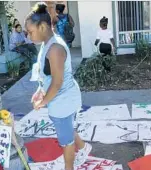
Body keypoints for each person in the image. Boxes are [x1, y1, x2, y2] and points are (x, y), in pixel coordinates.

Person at [25, 2, 92, 170]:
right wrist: (40, 91)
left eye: (30, 31)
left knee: (66, 141)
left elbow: (57, 82)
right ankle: (84, 148)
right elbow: (46, 76)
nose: (28, 36)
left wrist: (43, 101)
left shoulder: (55, 48)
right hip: (59, 98)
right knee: (67, 128)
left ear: (42, 27)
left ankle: (69, 167)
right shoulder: (46, 44)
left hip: (63, 100)